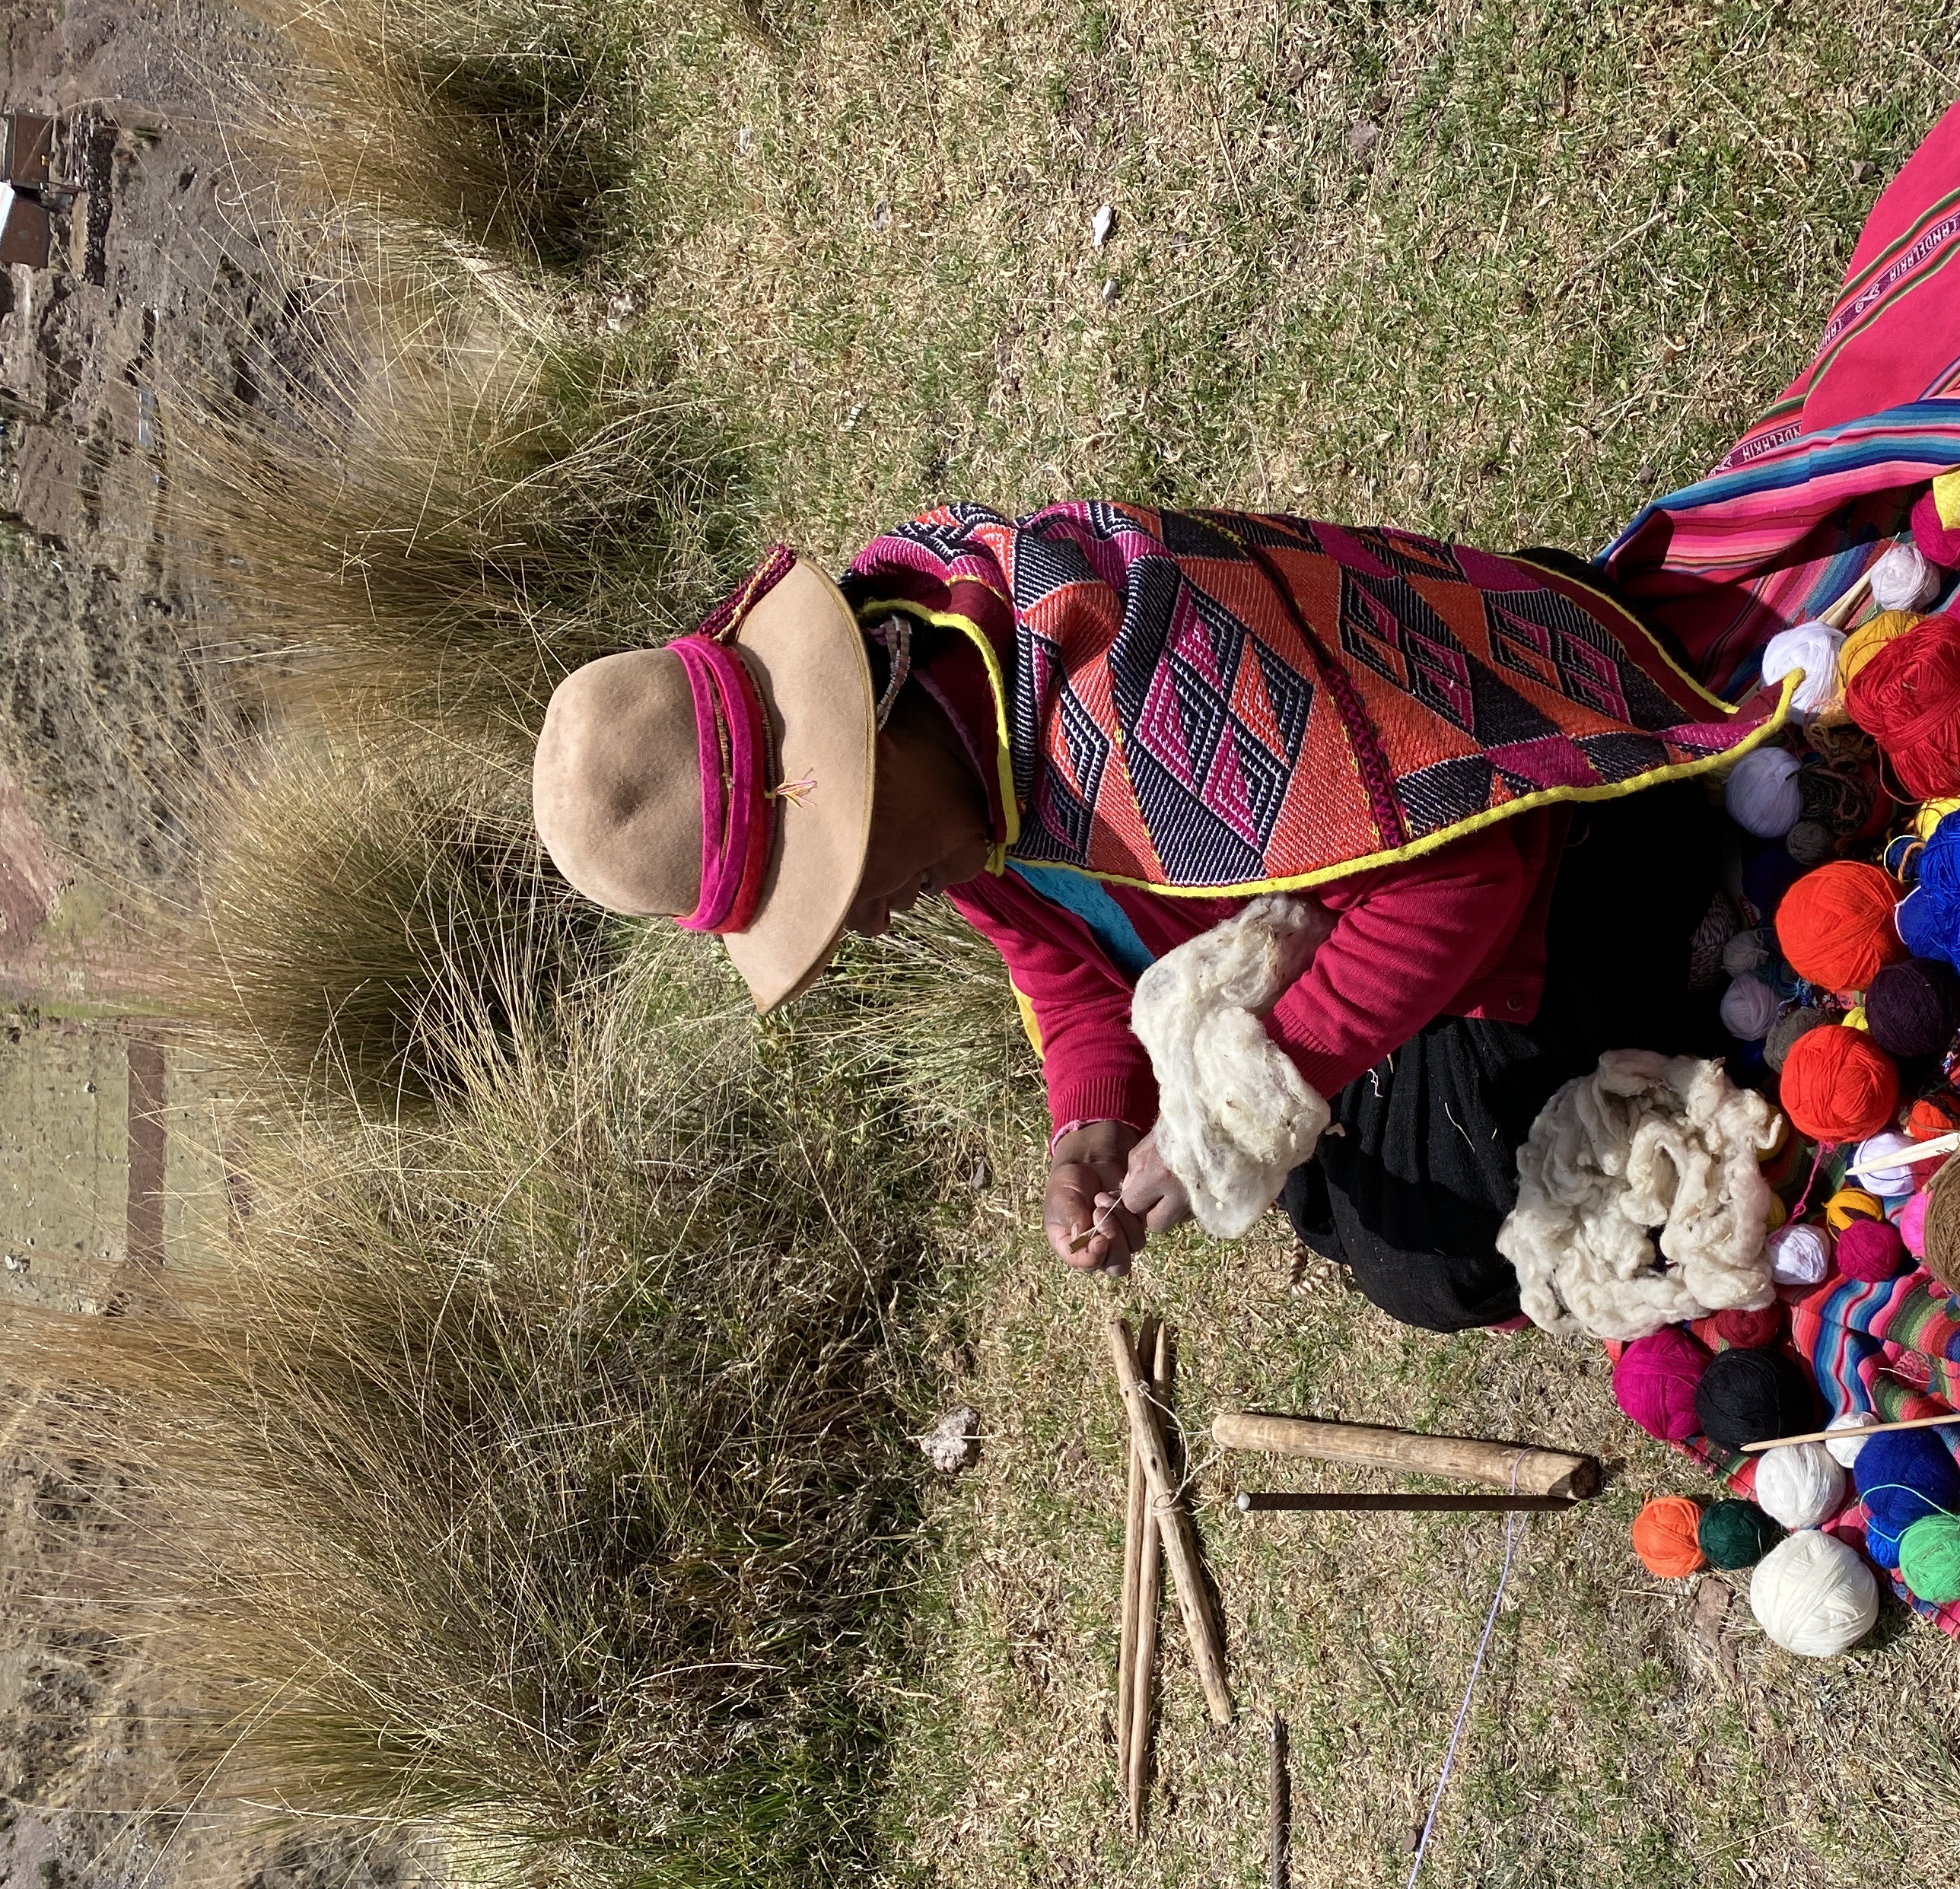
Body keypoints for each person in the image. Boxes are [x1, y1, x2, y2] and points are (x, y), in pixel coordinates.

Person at [530, 502, 1789, 1330]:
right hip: (1386, 905)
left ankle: (1681, 941)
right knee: (1339, 1199)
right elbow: (1071, 974)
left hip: (1558, 825)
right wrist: (1092, 1120)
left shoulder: (1138, 688)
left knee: (1424, 1252)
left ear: (854, 766)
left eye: (835, 891)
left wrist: (1244, 1105)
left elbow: (1467, 872)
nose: (861, 926)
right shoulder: (957, 775)